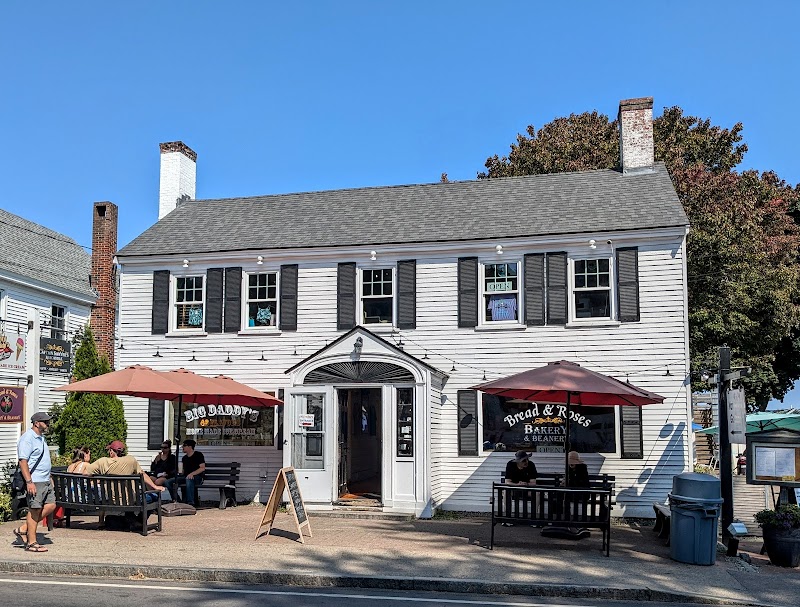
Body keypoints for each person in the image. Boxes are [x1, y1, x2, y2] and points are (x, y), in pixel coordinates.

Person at [13, 412, 55, 552]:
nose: (48, 424)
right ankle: (31, 543)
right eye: (45, 421)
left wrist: (49, 476)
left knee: (51, 505)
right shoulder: (27, 438)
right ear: (36, 423)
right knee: (35, 509)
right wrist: (29, 481)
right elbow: (23, 461)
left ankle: (24, 528)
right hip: (35, 480)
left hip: (45, 479)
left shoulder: (41, 438)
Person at [166, 439, 206, 506]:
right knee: (168, 482)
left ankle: (191, 503)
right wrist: (180, 472)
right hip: (186, 477)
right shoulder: (184, 458)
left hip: (198, 477)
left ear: (190, 447)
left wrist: (192, 474)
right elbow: (184, 472)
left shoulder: (198, 455)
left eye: (184, 445)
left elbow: (202, 468)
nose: (182, 447)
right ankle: (177, 500)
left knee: (188, 479)